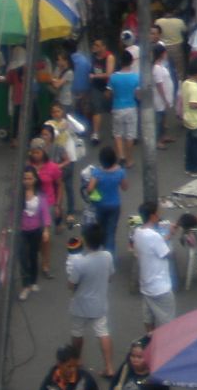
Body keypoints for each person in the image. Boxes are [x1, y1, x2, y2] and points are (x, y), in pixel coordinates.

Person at [67, 223, 115, 377]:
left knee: (77, 332)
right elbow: (110, 277)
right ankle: (109, 366)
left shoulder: (79, 262)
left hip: (80, 304)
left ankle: (77, 360)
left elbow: (71, 284)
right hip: (99, 303)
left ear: (86, 241)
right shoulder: (107, 256)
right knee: (103, 332)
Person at [133, 201, 176, 332]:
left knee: (149, 322)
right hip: (160, 287)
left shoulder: (137, 232)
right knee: (168, 324)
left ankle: (151, 346)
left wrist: (169, 235)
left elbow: (155, 245)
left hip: (146, 287)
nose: (159, 216)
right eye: (158, 213)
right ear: (152, 216)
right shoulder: (155, 236)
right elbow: (167, 254)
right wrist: (170, 240)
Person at [85, 145, 126, 258]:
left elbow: (90, 189)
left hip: (100, 205)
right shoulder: (120, 172)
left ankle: (100, 253)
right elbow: (124, 187)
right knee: (111, 232)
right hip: (115, 205)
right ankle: (110, 257)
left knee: (101, 229)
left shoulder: (97, 173)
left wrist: (96, 196)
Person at [17, 164, 51, 300]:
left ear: (35, 179)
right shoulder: (19, 195)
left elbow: (45, 214)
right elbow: (13, 212)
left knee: (33, 256)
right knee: (23, 257)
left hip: (36, 231)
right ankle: (26, 285)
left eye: (30, 178)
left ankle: (33, 281)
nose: (27, 181)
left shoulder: (40, 197)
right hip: (22, 231)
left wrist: (46, 230)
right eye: (25, 178)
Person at [29, 140, 63, 276]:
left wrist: (58, 205)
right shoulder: (28, 166)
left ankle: (45, 264)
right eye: (33, 152)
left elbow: (60, 185)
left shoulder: (53, 167)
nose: (35, 155)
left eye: (38, 152)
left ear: (44, 152)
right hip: (31, 204)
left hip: (47, 204)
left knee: (45, 237)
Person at [108, 52, 140, 170]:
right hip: (131, 107)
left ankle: (121, 156)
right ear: (131, 62)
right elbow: (138, 95)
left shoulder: (113, 77)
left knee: (118, 134)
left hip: (117, 107)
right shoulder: (136, 77)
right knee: (130, 135)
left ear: (120, 62)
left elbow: (109, 93)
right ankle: (129, 159)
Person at [85, 39, 114, 144]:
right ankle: (96, 133)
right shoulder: (93, 57)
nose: (95, 47)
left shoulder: (109, 57)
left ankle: (116, 130)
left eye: (98, 45)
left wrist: (95, 76)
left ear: (103, 47)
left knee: (111, 109)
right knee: (96, 109)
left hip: (106, 86)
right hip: (95, 87)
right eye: (94, 45)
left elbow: (109, 74)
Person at [150, 44, 175, 150]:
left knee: (163, 118)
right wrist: (165, 99)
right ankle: (157, 140)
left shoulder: (161, 66)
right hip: (159, 99)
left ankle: (163, 136)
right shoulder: (157, 68)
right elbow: (159, 85)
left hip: (164, 98)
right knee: (159, 120)